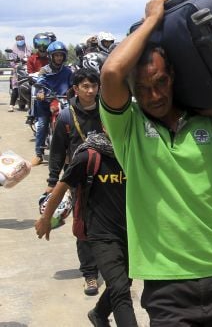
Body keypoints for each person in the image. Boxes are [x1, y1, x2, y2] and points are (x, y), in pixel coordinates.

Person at [99, 0, 212, 325]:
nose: (155, 96)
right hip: (166, 284)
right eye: (142, 88)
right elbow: (112, 71)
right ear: (132, 91)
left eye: (161, 82)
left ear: (173, 75)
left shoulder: (208, 122)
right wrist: (152, 21)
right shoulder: (129, 129)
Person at [35, 132, 137, 327]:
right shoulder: (89, 156)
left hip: (130, 231)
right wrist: (46, 218)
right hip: (101, 233)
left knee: (126, 281)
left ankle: (98, 314)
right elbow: (62, 187)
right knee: (120, 288)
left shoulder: (133, 151)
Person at [45, 68, 102, 296]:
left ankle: (114, 264)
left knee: (115, 220)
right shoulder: (66, 117)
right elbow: (58, 150)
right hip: (79, 179)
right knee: (83, 224)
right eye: (85, 87)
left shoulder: (108, 110)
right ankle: (89, 273)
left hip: (109, 176)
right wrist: (52, 181)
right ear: (76, 89)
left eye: (94, 86)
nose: (90, 91)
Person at [32, 40, 73, 166]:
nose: (59, 58)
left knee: (72, 122)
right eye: (56, 55)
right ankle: (39, 154)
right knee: (42, 124)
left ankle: (71, 150)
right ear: (51, 56)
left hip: (62, 100)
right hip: (45, 101)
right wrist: (40, 92)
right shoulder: (44, 70)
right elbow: (40, 82)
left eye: (61, 55)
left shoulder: (68, 71)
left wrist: (72, 93)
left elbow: (73, 85)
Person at [7, 34, 32, 112]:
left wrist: (27, 60)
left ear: (24, 39)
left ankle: (31, 104)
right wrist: (15, 64)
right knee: (16, 86)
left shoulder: (28, 47)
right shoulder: (13, 48)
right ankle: (11, 105)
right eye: (18, 39)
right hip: (17, 69)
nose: (20, 40)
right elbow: (11, 59)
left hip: (27, 68)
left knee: (31, 83)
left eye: (21, 39)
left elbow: (31, 56)